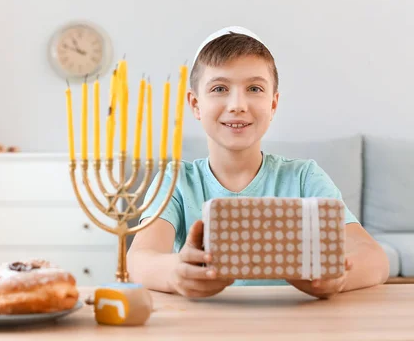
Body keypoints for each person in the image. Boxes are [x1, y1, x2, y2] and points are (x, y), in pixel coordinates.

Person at [127, 26, 389, 299]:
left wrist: (338, 277)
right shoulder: (176, 180)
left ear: (273, 104)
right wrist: (176, 273)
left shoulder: (304, 178)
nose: (237, 104)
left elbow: (375, 259)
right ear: (195, 104)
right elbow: (139, 260)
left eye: (254, 88)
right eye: (219, 88)